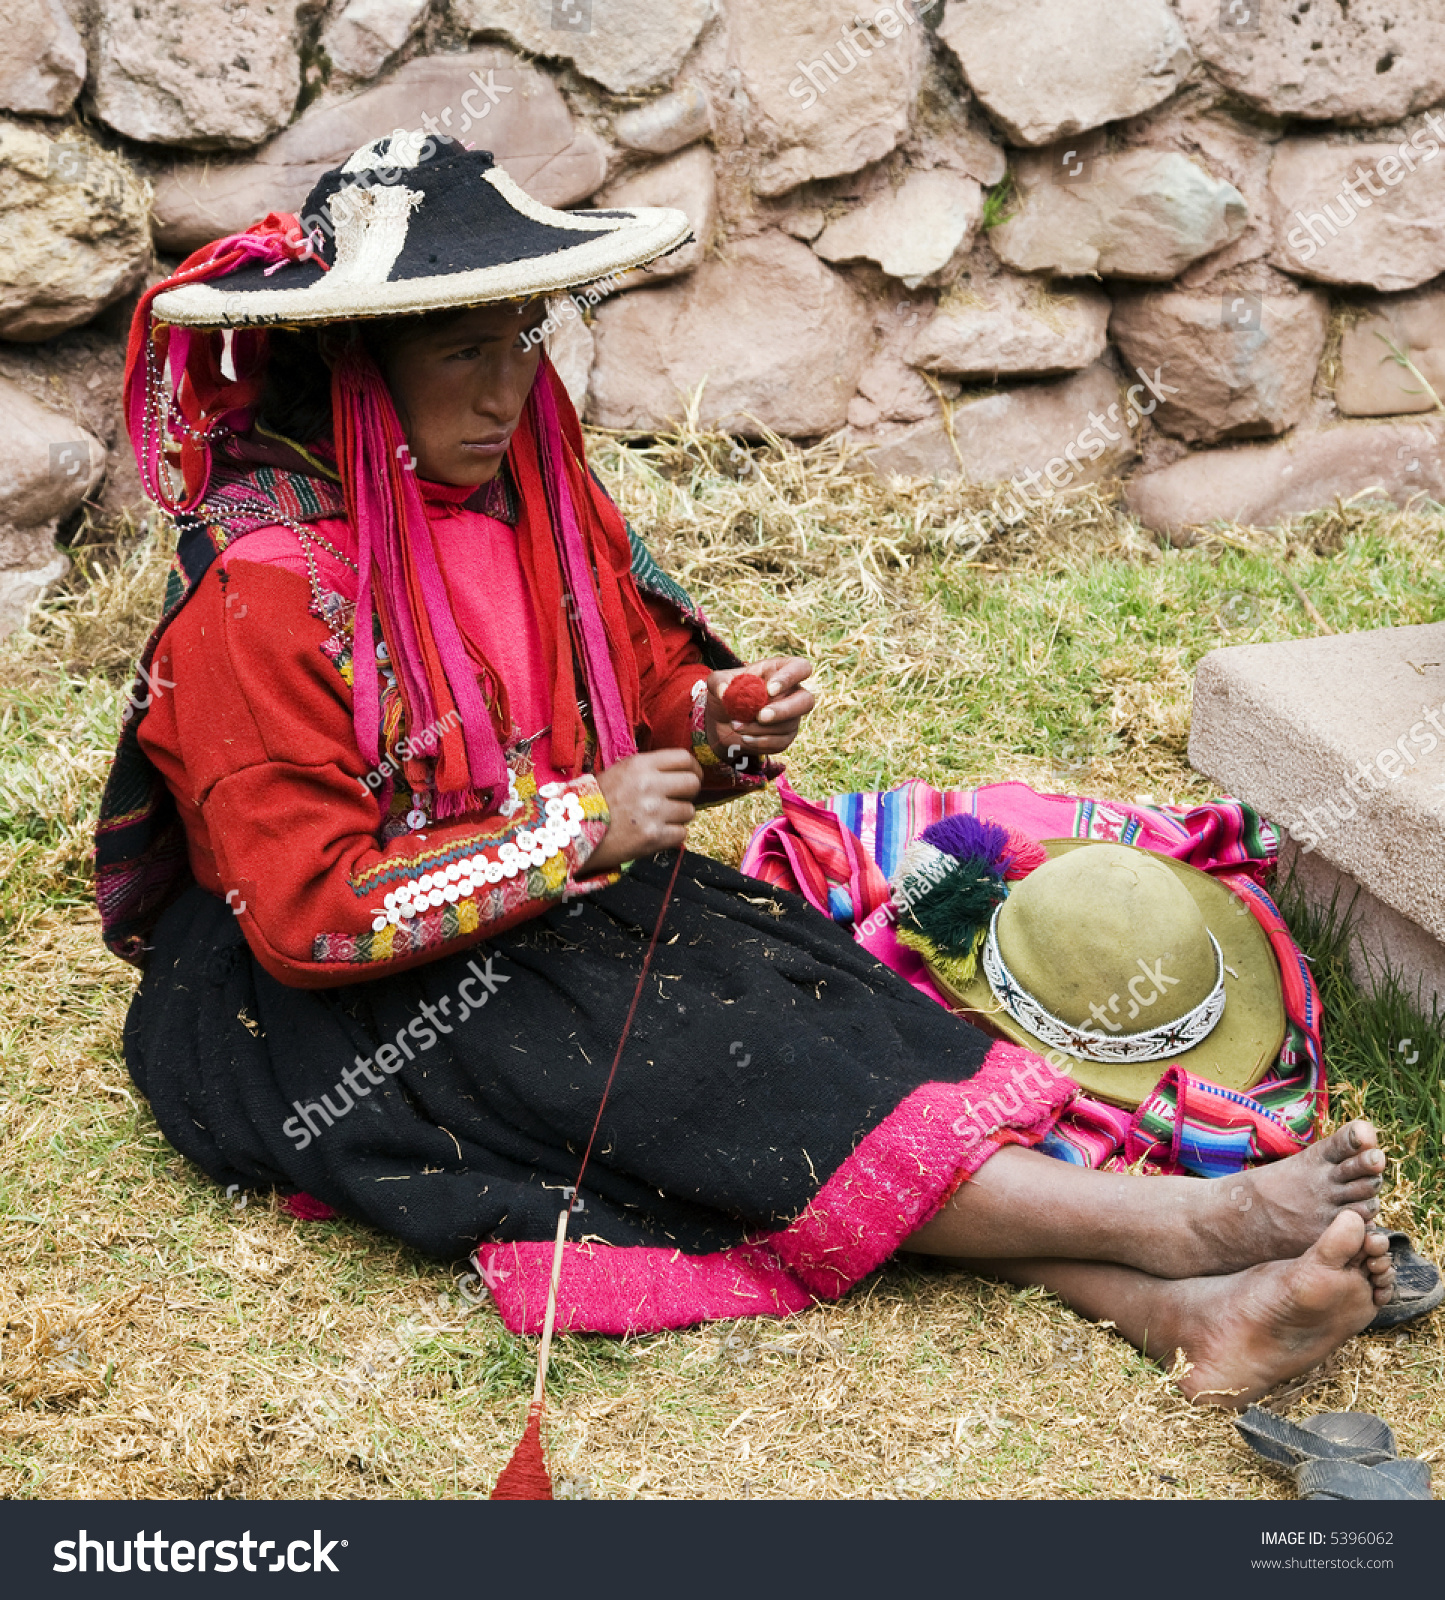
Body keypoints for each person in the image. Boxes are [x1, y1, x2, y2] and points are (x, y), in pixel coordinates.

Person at [98, 133, 1396, 1410]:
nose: (507, 395)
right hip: (335, 1012)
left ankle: (1184, 1310)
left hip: (544, 900)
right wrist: (573, 833)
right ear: (355, 371)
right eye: (460, 356)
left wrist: (716, 718)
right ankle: (1174, 1227)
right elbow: (306, 916)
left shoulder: (522, 494)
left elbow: (638, 683)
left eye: (523, 346)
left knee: (800, 1010)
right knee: (693, 1074)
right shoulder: (265, 592)